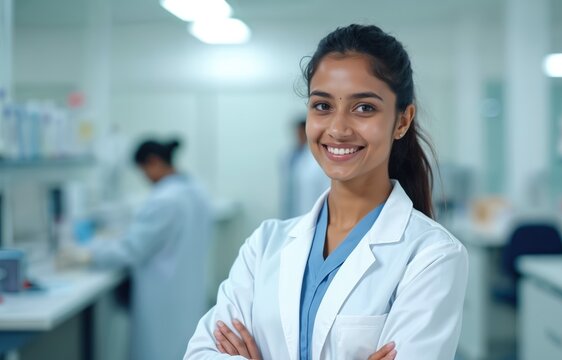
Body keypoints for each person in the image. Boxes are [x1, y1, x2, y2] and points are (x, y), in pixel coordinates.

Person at [184, 24, 468, 360]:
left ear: (402, 121)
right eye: (322, 106)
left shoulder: (431, 256)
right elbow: (202, 353)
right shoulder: (265, 245)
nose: (338, 129)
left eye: (364, 108)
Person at [59, 139, 214, 360]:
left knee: (161, 351)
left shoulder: (164, 200)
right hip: (189, 293)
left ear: (153, 162)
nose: (145, 178)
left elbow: (131, 249)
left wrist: (88, 254)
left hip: (164, 300)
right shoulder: (197, 190)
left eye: (143, 171)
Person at [282, 118, 330, 218]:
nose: (298, 136)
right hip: (291, 211)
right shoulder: (290, 155)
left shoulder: (316, 160)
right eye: (297, 133)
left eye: (301, 133)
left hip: (310, 212)